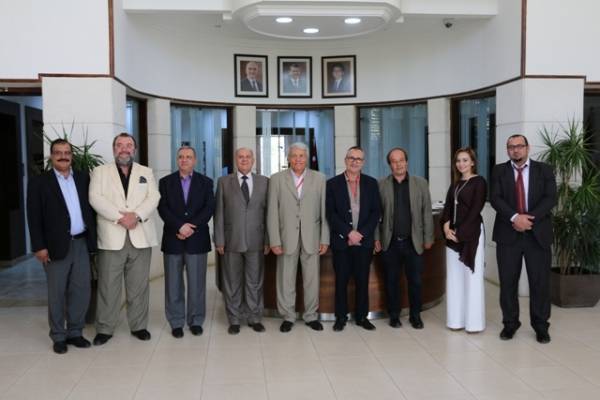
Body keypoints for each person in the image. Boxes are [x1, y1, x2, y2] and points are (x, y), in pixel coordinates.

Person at [89, 132, 160, 346]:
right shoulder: (100, 172)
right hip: (112, 236)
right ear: (114, 149)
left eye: (128, 145)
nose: (124, 149)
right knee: (108, 286)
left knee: (138, 286)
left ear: (134, 149)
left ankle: (138, 326)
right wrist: (121, 218)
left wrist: (136, 216)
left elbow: (154, 197)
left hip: (140, 236)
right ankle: (105, 328)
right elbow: (95, 198)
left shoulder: (145, 172)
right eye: (120, 145)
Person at [27, 139, 97, 354]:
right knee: (57, 293)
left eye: (67, 152)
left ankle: (75, 332)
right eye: (58, 152)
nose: (63, 156)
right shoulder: (39, 182)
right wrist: (39, 246)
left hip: (81, 243)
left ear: (72, 156)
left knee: (81, 290)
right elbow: (34, 217)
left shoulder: (84, 178)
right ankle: (58, 335)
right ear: (51, 156)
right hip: (54, 246)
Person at [491, 134, 557, 343]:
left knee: (540, 283)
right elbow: (495, 198)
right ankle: (510, 324)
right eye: (511, 147)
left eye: (519, 146)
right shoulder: (499, 171)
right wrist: (514, 217)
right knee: (508, 282)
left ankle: (541, 326)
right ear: (507, 150)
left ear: (527, 148)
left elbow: (550, 198)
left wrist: (528, 219)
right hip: (508, 235)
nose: (515, 150)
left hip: (537, 234)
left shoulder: (544, 170)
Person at [267, 142, 329, 333]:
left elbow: (324, 211)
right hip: (286, 237)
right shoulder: (276, 179)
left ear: (307, 157)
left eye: (301, 155)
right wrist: (274, 240)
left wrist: (324, 238)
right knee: (285, 279)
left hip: (312, 237)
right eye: (294, 156)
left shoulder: (320, 179)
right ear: (288, 158)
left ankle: (311, 316)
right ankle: (288, 316)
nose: (298, 159)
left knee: (311, 280)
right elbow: (272, 212)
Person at [157, 146, 214, 338]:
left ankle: (196, 320)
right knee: (173, 284)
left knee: (197, 284)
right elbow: (163, 208)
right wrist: (179, 227)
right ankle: (176, 322)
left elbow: (209, 208)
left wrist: (190, 228)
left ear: (195, 160)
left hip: (197, 240)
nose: (184, 160)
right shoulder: (165, 182)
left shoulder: (206, 182)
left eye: (188, 157)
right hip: (173, 239)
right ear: (177, 160)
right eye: (181, 156)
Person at [375, 148, 434, 329]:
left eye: (401, 160)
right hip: (390, 242)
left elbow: (426, 212)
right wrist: (376, 238)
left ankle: (415, 316)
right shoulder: (381, 185)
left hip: (413, 242)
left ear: (406, 162)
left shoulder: (421, 183)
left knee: (415, 281)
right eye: (394, 161)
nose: (398, 164)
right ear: (389, 165)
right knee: (391, 281)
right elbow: (375, 214)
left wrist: (428, 237)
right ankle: (394, 315)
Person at [214, 148, 269, 335]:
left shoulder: (264, 182)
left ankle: (254, 318)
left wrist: (268, 239)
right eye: (240, 157)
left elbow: (268, 213)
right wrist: (219, 240)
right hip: (232, 240)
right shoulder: (223, 182)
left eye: (248, 157)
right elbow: (219, 213)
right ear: (235, 159)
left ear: (253, 160)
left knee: (255, 282)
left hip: (257, 240)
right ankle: (234, 319)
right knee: (232, 282)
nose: (244, 159)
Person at [326, 146, 381, 331]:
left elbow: (376, 212)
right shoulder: (332, 184)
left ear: (363, 162)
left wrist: (361, 233)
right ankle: (340, 317)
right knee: (341, 281)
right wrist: (349, 232)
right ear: (345, 160)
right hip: (342, 242)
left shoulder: (371, 183)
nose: (355, 162)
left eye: (359, 159)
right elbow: (331, 213)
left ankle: (362, 317)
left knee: (362, 281)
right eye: (351, 158)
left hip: (364, 243)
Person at [440, 148, 487, 333]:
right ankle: (455, 321)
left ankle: (474, 323)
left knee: (472, 277)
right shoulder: (455, 184)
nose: (461, 164)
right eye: (458, 160)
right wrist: (446, 227)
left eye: (465, 160)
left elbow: (476, 210)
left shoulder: (479, 182)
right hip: (452, 235)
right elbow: (447, 208)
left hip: (471, 234)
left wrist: (460, 231)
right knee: (454, 277)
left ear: (473, 162)